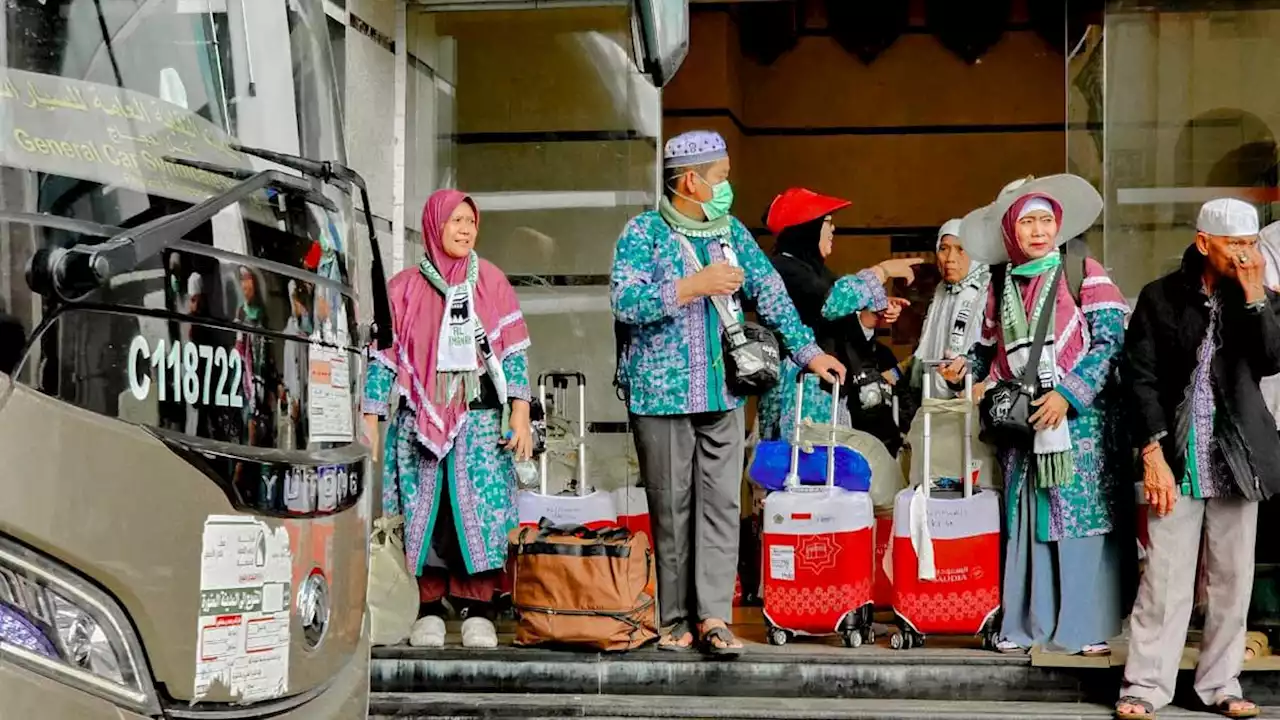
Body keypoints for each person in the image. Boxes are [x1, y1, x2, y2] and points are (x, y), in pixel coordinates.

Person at [611, 131, 845, 657]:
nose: (726, 188)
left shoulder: (731, 233)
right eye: (720, 178)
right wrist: (692, 286)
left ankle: (714, 616)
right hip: (660, 396)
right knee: (672, 509)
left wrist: (809, 352)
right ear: (690, 181)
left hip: (725, 391)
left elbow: (770, 292)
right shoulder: (643, 233)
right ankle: (674, 619)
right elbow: (625, 301)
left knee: (719, 505)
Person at [941, 174, 1129, 657]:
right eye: (1028, 222)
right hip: (1024, 425)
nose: (1039, 230)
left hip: (1079, 426)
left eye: (1046, 220)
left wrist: (1069, 394)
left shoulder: (1081, 269)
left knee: (1078, 522)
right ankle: (1028, 624)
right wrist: (969, 368)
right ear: (1010, 231)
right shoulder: (999, 284)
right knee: (1028, 520)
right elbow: (986, 349)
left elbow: (1111, 342)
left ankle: (1084, 626)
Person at [1115, 198, 1280, 720]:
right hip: (1176, 458)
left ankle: (1220, 684)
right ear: (1204, 242)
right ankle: (1145, 686)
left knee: (1233, 581)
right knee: (1164, 578)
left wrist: (1255, 295)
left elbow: (1271, 360)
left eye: (1252, 244)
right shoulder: (1159, 297)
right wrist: (1152, 453)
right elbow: (1138, 380)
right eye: (1235, 245)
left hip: (1239, 459)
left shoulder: (1261, 296)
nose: (1246, 254)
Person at [362, 189, 534, 649]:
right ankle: (428, 608)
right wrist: (371, 416)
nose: (464, 230)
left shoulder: (492, 282)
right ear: (434, 225)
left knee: (477, 517)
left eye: (470, 222)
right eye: (455, 221)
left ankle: (477, 608)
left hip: (480, 426)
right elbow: (383, 358)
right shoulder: (402, 289)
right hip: (420, 422)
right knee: (429, 515)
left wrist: (520, 410)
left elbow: (514, 353)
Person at [759, 187, 919, 446]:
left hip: (823, 393)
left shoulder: (815, 272)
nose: (833, 230)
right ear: (807, 228)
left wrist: (871, 318)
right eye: (828, 223)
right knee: (804, 470)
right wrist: (882, 270)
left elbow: (835, 322)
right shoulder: (783, 269)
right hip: (797, 393)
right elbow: (831, 304)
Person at [908, 219, 991, 399]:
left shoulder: (988, 291)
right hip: (934, 400)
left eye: (961, 249)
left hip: (971, 398)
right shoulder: (940, 292)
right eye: (944, 249)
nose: (950, 258)